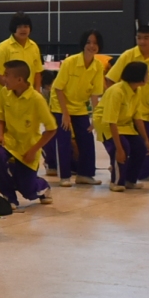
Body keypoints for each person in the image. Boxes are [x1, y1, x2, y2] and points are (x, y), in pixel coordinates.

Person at [0, 60, 58, 206]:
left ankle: (43, 186)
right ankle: (9, 197)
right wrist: (0, 136)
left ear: (19, 79)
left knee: (28, 191)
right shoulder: (5, 92)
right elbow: (1, 118)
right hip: (9, 143)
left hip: (28, 148)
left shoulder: (37, 99)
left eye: (6, 75)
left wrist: (34, 150)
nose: (3, 78)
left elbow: (51, 129)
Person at [106, 23, 149, 177]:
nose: (142, 42)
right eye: (139, 38)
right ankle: (120, 169)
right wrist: (117, 101)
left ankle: (142, 173)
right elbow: (110, 79)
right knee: (126, 144)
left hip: (143, 110)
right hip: (126, 111)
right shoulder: (127, 56)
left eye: (146, 38)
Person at [50, 31, 105, 185]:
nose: (91, 46)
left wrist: (95, 117)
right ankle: (65, 176)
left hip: (80, 107)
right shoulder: (70, 62)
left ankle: (85, 175)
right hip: (60, 106)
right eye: (88, 42)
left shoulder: (98, 66)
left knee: (87, 138)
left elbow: (95, 95)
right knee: (64, 140)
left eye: (95, 43)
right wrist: (65, 114)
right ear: (83, 44)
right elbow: (58, 88)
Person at [98, 60, 149, 191]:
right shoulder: (116, 91)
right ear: (139, 76)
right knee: (122, 147)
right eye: (147, 73)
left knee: (140, 148)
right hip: (107, 125)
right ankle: (116, 182)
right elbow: (111, 121)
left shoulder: (137, 91)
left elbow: (137, 118)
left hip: (125, 125)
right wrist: (119, 149)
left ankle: (130, 180)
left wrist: (146, 140)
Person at [0, 13, 41, 91]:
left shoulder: (34, 46)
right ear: (13, 28)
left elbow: (37, 72)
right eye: (19, 27)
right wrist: (13, 89)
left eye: (26, 26)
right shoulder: (3, 47)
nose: (23, 29)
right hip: (8, 95)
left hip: (29, 95)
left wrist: (37, 90)